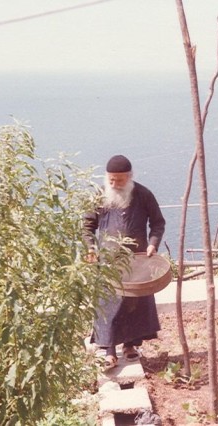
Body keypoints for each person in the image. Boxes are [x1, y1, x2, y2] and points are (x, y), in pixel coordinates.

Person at [83, 154, 166, 370]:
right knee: (109, 305)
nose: (115, 184)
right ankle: (109, 352)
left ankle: (130, 346)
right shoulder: (99, 196)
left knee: (134, 304)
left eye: (119, 180)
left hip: (137, 261)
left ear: (129, 176)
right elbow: (87, 227)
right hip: (108, 262)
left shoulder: (143, 194)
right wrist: (91, 248)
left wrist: (153, 244)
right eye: (111, 180)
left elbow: (158, 223)